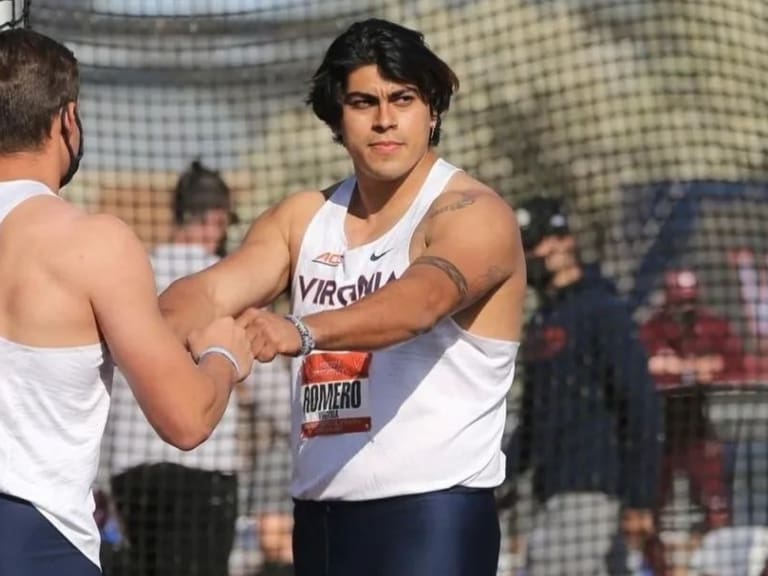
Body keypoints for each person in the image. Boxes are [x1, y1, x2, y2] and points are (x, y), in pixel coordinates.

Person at [158, 18, 526, 576]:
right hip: (322, 518)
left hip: (432, 514)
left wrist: (302, 329)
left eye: (402, 98)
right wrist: (155, 328)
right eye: (362, 102)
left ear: (432, 110)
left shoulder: (473, 212)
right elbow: (204, 293)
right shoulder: (303, 217)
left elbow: (419, 304)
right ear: (337, 118)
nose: (384, 119)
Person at [0, 29, 253, 575]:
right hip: (36, 537)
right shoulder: (92, 242)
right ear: (67, 120)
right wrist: (224, 355)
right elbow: (186, 420)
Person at [501, 196, 663, 576]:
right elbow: (531, 416)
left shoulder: (603, 309)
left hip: (592, 488)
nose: (530, 254)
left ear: (564, 241)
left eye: (536, 242)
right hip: (549, 488)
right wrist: (501, 477)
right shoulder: (543, 317)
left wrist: (641, 497)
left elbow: (640, 402)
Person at [104, 160, 244, 576]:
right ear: (217, 220)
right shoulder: (227, 282)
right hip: (205, 469)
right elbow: (256, 375)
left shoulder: (134, 274)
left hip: (132, 471)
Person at [639, 268, 743, 574]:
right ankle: (656, 568)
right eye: (679, 302)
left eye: (690, 302)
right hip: (662, 430)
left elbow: (734, 364)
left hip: (699, 427)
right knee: (651, 506)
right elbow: (650, 366)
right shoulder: (653, 328)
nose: (685, 309)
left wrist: (688, 367)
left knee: (716, 503)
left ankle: (721, 565)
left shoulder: (711, 325)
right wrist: (688, 368)